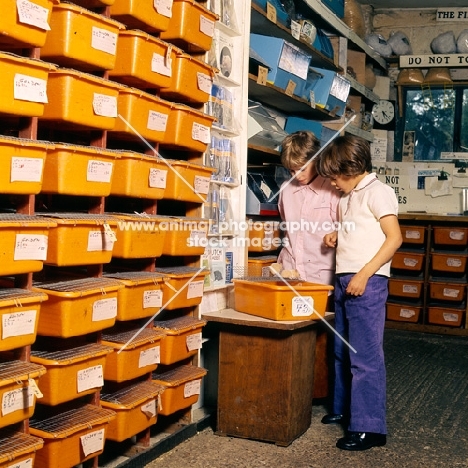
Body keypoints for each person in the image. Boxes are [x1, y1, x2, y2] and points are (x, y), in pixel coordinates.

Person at [316, 134, 402, 451]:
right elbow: (359, 231)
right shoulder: (347, 198)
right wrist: (336, 235)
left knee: (364, 356)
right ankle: (344, 410)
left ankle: (370, 429)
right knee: (340, 350)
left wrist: (365, 274)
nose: (333, 184)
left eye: (335, 177)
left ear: (351, 168)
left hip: (367, 280)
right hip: (344, 278)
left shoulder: (379, 192)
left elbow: (394, 239)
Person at [277, 130, 340, 286]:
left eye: (302, 169)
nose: (297, 176)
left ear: (316, 159)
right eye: (292, 170)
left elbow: (344, 230)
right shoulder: (286, 189)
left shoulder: (332, 187)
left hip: (321, 276)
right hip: (289, 272)